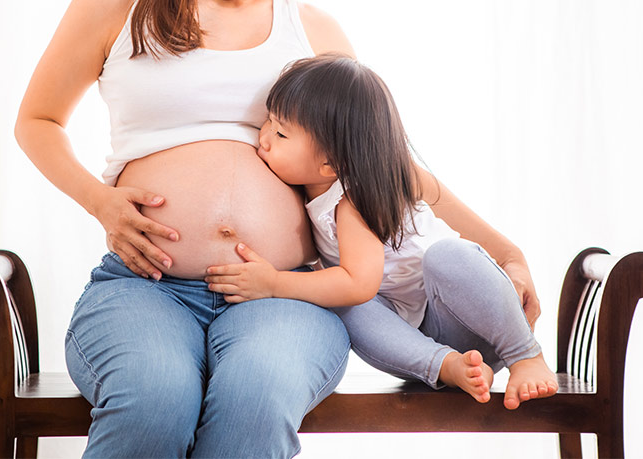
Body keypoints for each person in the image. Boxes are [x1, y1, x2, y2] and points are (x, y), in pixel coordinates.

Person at [15, 0, 543, 457]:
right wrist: (100, 204)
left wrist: (505, 249)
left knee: (255, 403)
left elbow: (393, 167)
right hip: (144, 286)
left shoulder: (311, 27)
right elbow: (37, 121)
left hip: (290, 288)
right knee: (152, 401)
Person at [205, 54, 559, 410]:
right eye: (268, 121)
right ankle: (445, 366)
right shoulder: (314, 184)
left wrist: (273, 283)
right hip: (416, 340)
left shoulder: (353, 198)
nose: (264, 137)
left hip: (470, 318)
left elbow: (361, 282)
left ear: (330, 163)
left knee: (443, 257)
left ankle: (524, 354)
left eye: (280, 133)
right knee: (346, 304)